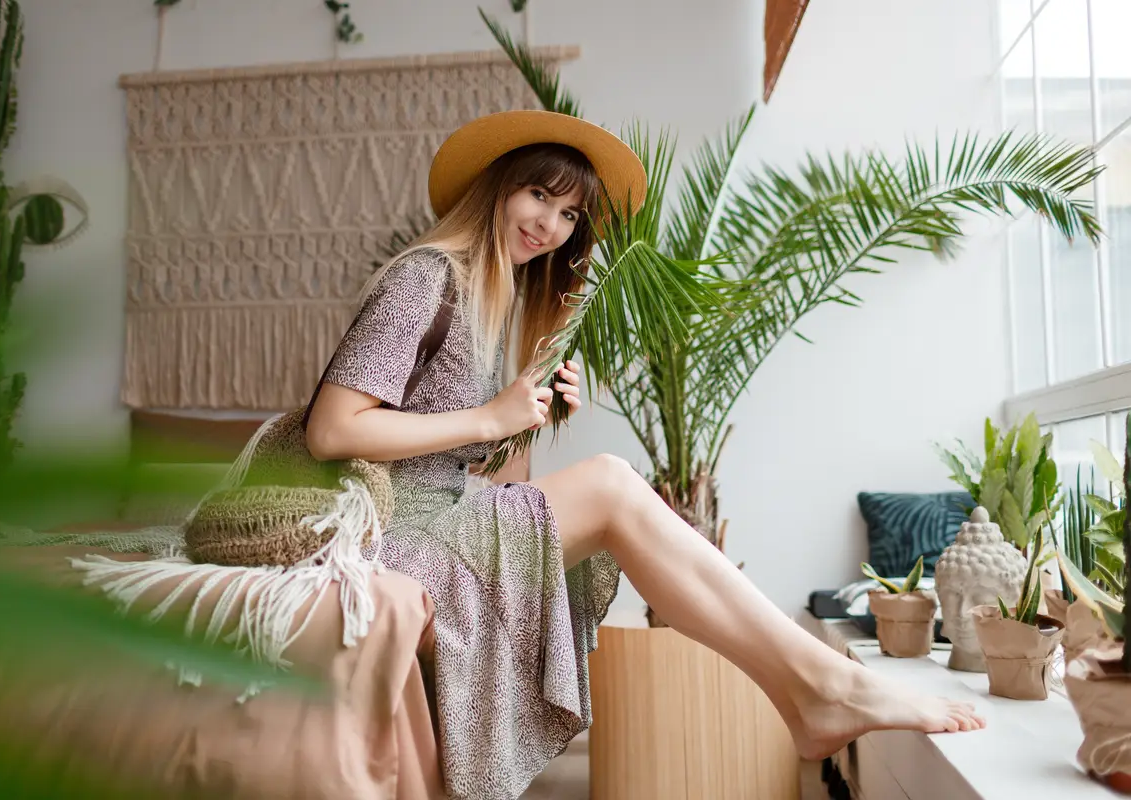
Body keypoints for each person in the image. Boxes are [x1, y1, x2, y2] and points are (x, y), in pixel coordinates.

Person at [305, 109, 985, 799]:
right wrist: (487, 417)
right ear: (498, 187)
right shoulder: (426, 276)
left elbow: (492, 485)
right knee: (613, 485)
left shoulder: (497, 299)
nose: (549, 225)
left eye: (571, 215)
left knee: (609, 491)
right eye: (538, 194)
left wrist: (526, 420)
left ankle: (818, 692)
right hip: (378, 534)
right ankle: (826, 687)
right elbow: (330, 431)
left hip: (435, 521)